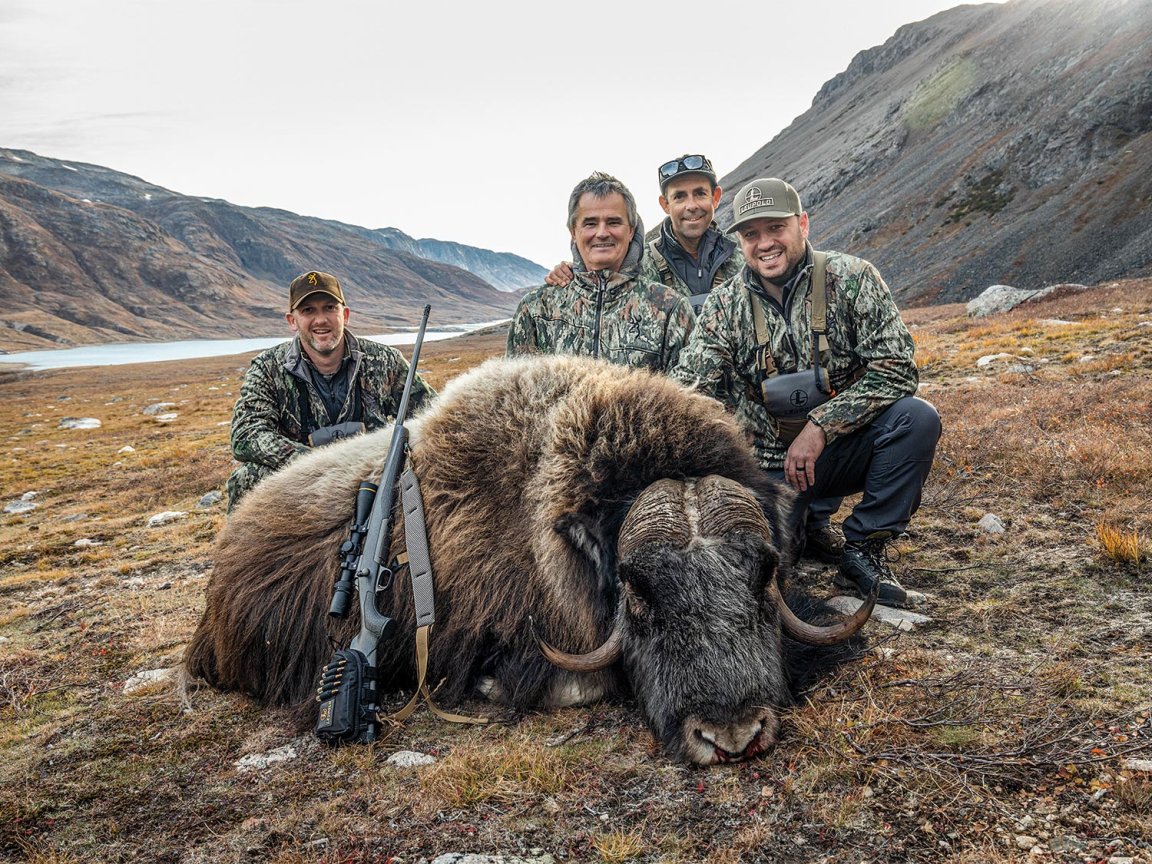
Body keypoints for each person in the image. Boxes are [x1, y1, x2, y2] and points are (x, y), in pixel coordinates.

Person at [547, 155, 842, 562]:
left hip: (745, 390)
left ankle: (815, 521)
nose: (691, 205)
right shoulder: (638, 262)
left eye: (700, 194)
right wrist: (571, 270)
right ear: (664, 204)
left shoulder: (746, 252)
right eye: (679, 196)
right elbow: (604, 275)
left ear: (716, 198)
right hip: (678, 403)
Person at [672, 178, 941, 608]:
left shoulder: (854, 279)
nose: (765, 243)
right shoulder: (723, 307)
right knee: (769, 563)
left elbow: (896, 370)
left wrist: (820, 427)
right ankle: (805, 526)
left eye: (775, 228)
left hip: (839, 451)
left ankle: (864, 548)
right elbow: (688, 387)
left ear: (802, 224)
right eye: (751, 234)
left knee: (916, 419)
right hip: (766, 470)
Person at [226, 270, 435, 511]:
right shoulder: (268, 368)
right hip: (302, 481)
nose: (321, 320)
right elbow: (246, 434)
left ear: (345, 315)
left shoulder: (386, 360)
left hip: (373, 478)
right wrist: (315, 464)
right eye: (308, 311)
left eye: (329, 308)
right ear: (292, 321)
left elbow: (431, 416)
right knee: (248, 477)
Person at [506, 171, 694, 373]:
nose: (602, 233)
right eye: (590, 223)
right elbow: (514, 388)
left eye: (613, 222)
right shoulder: (536, 309)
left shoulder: (670, 308)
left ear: (631, 230)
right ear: (573, 231)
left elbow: (688, 389)